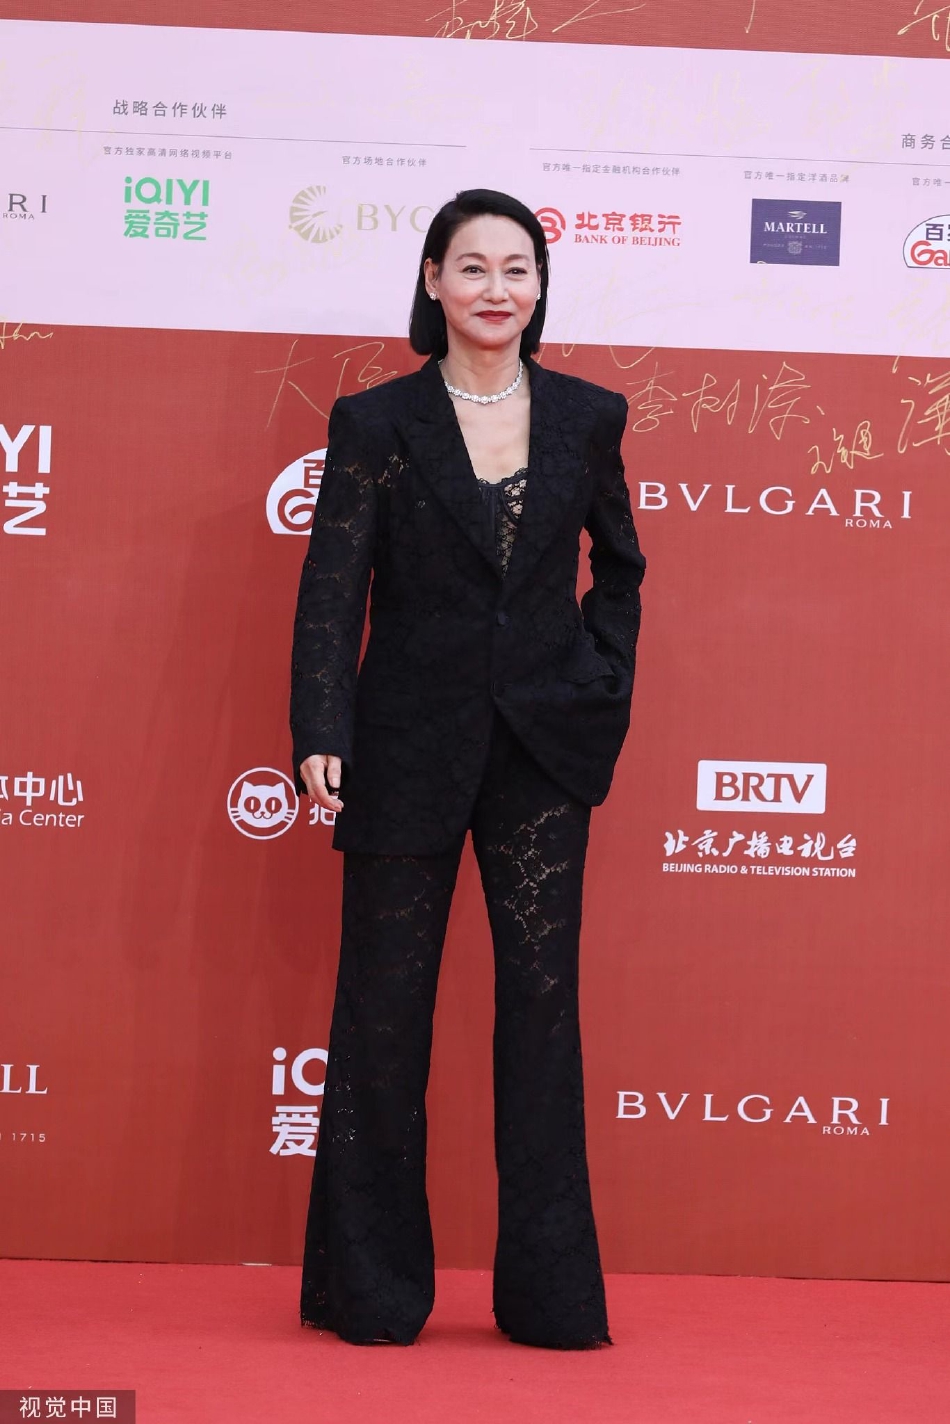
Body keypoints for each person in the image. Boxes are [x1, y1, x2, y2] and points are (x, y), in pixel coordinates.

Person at [289, 188, 646, 1350]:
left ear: (539, 288)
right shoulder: (375, 422)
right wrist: (321, 726)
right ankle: (371, 1290)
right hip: (402, 743)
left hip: (541, 750)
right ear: (433, 280)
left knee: (540, 1011)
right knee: (382, 1013)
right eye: (474, 266)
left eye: (517, 268)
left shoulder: (588, 415)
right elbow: (332, 588)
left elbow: (620, 569)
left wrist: (595, 681)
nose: (497, 288)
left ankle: (548, 1298)